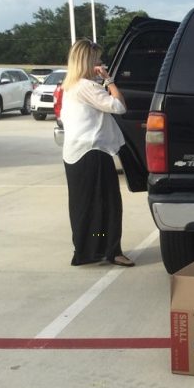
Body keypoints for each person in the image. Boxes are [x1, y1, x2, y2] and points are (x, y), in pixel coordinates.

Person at [60, 39, 134, 267]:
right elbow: (119, 106)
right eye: (98, 59)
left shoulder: (70, 86)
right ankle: (112, 250)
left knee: (84, 206)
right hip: (93, 152)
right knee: (108, 204)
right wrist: (109, 80)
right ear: (88, 61)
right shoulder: (87, 87)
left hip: (75, 153)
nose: (102, 63)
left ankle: (88, 250)